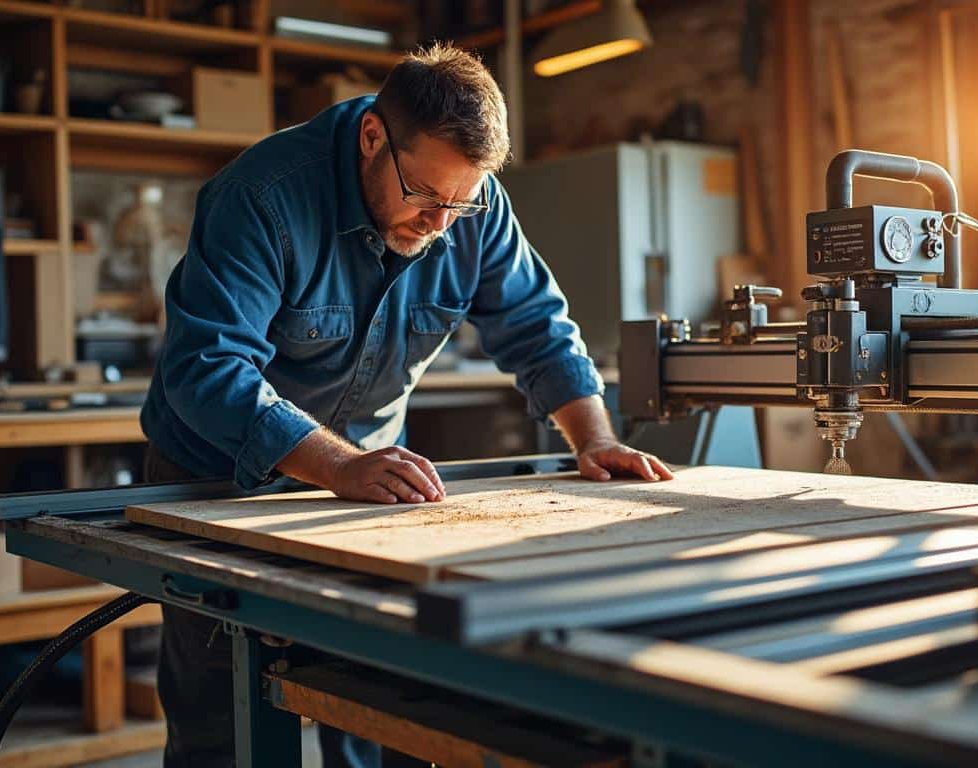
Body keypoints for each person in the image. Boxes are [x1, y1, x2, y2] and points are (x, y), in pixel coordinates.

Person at [139, 43, 674, 767]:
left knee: (373, 697)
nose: (441, 224)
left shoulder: (470, 205)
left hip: (367, 487)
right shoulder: (263, 195)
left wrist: (593, 436)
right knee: (222, 721)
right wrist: (340, 465)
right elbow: (206, 369)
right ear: (372, 138)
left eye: (462, 203)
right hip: (219, 476)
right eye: (424, 195)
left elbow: (537, 327)